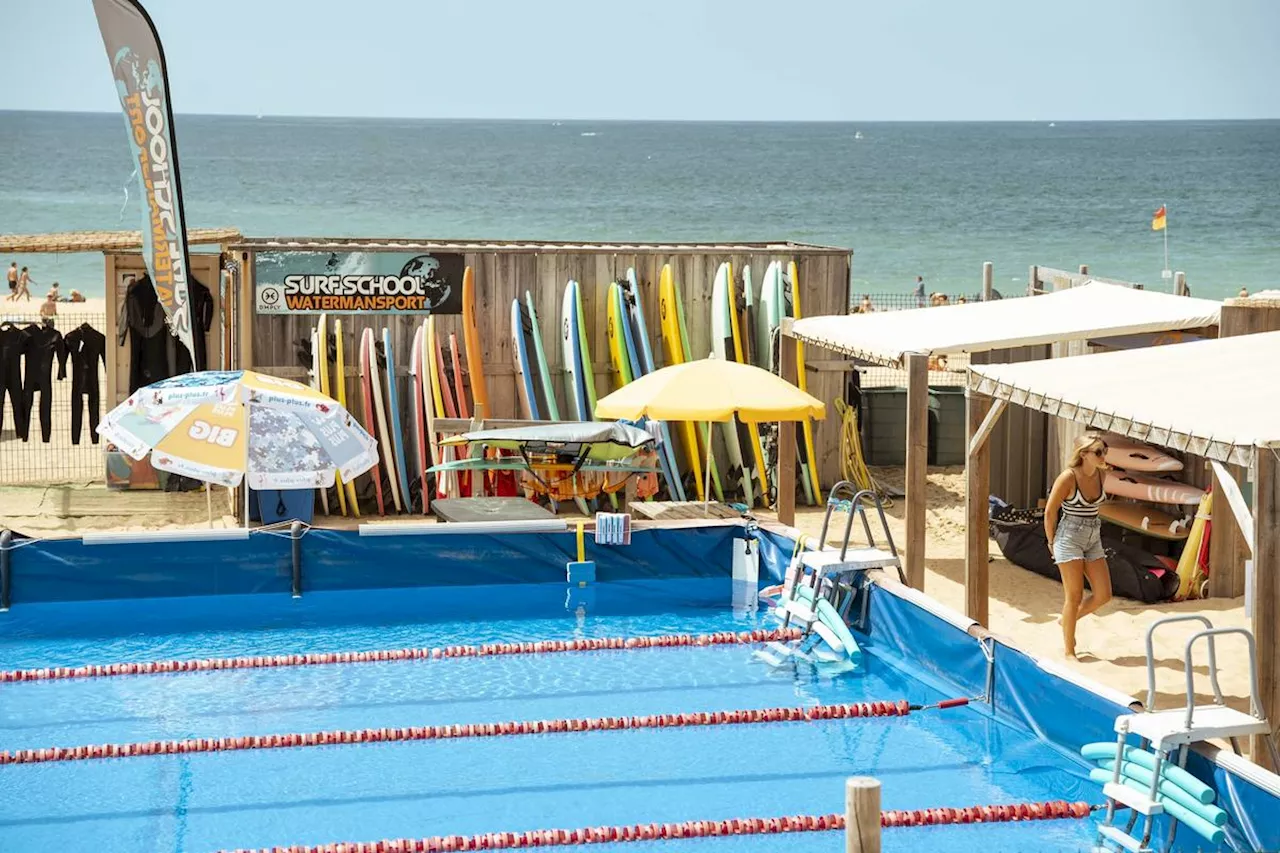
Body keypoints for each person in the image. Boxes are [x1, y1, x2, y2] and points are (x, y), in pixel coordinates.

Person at [1044, 433, 1114, 659]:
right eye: (1098, 452)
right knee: (1073, 596)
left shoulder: (1102, 475)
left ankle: (1067, 621)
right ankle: (1069, 651)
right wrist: (1051, 542)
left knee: (1104, 595)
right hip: (1069, 537)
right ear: (1083, 454)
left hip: (1094, 535)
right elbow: (1049, 512)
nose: (1103, 455)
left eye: (1104, 450)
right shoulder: (1068, 477)